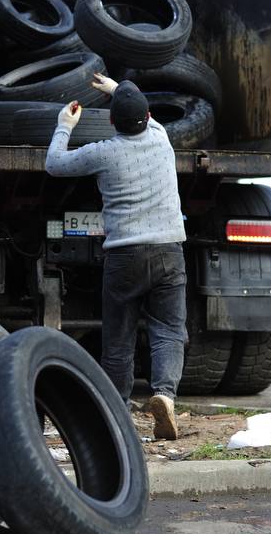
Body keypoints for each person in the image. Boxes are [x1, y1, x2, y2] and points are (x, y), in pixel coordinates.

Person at [45, 74, 186, 440]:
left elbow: (55, 164)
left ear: (111, 122)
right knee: (169, 330)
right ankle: (165, 394)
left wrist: (65, 126)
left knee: (119, 339)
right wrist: (117, 89)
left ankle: (116, 413)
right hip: (170, 251)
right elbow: (146, 117)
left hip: (124, 255)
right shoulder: (162, 140)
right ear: (148, 115)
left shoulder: (103, 152)